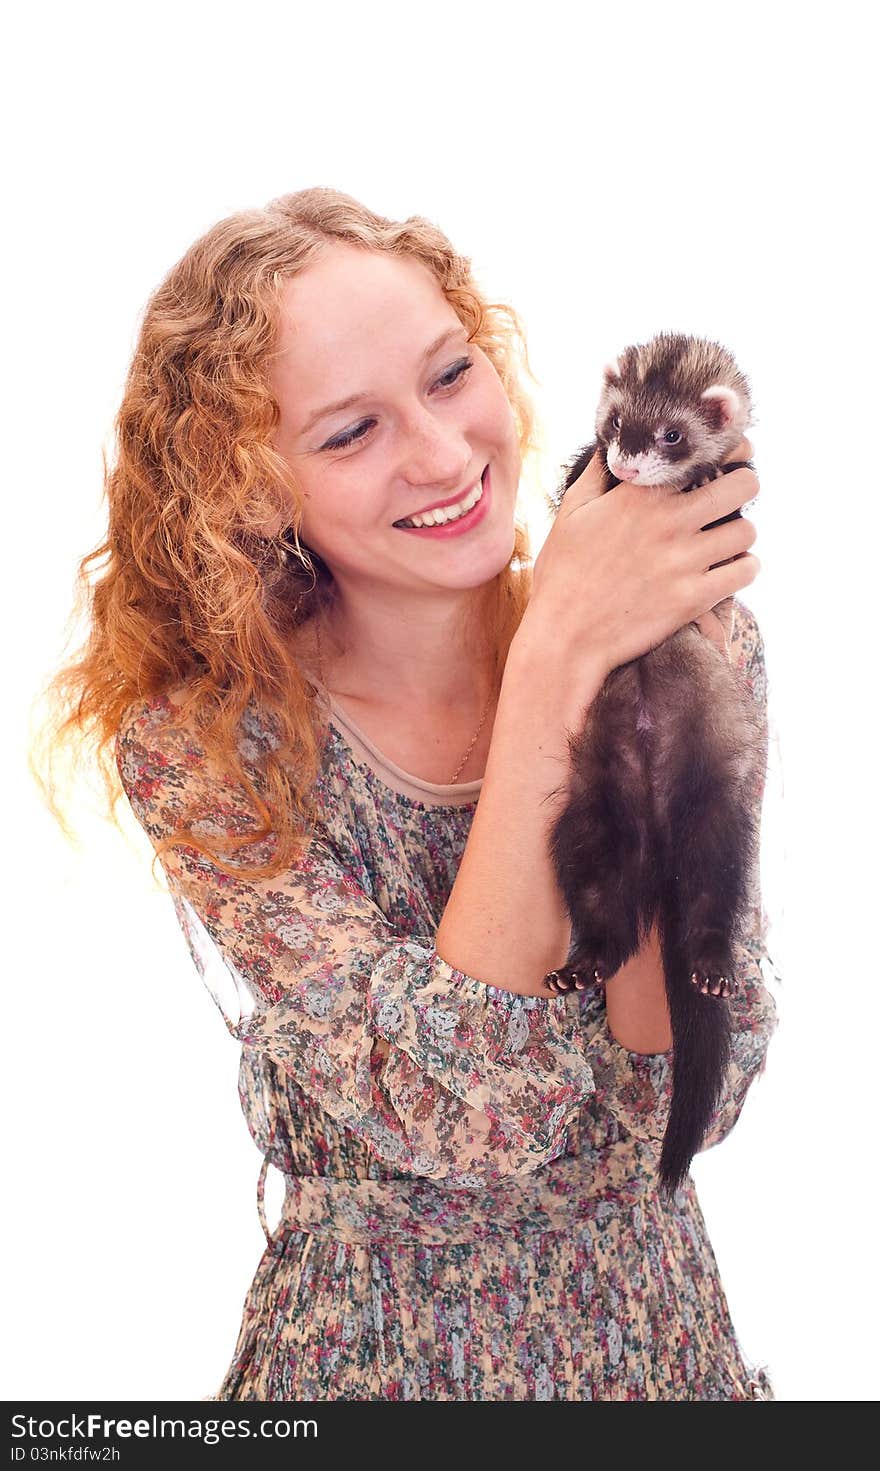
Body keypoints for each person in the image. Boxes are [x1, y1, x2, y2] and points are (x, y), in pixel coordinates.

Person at [38, 186, 777, 1401]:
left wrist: (617, 672)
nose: (442, 457)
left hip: (657, 1355)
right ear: (256, 489)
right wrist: (550, 670)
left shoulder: (692, 648)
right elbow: (468, 1111)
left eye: (449, 375)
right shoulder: (210, 753)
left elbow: (680, 1095)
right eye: (348, 433)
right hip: (372, 1370)